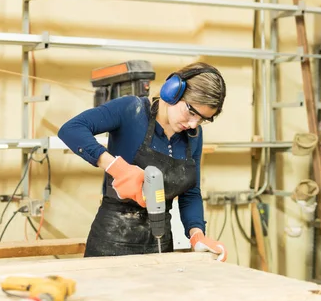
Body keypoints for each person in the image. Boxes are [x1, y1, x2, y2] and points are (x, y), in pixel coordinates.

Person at [57, 62, 228, 261]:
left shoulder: (193, 136)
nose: (192, 124)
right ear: (172, 92)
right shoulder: (131, 111)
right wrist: (116, 167)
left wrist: (197, 235)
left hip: (161, 242)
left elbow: (191, 193)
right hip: (113, 239)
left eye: (202, 119)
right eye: (191, 113)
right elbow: (71, 129)